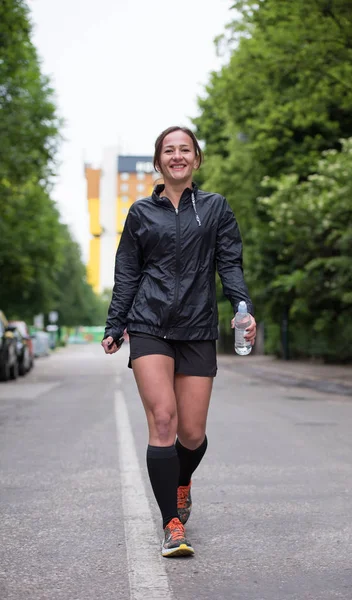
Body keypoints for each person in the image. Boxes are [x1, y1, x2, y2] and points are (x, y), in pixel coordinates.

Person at [101, 126, 256, 557]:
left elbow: (230, 264)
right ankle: (172, 524)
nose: (177, 156)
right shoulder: (140, 213)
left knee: (191, 433)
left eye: (184, 149)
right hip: (149, 324)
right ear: (158, 161)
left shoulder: (215, 208)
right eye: (168, 150)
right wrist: (117, 324)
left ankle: (182, 481)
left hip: (197, 326)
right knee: (163, 421)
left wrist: (243, 307)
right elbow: (127, 272)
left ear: (196, 160)